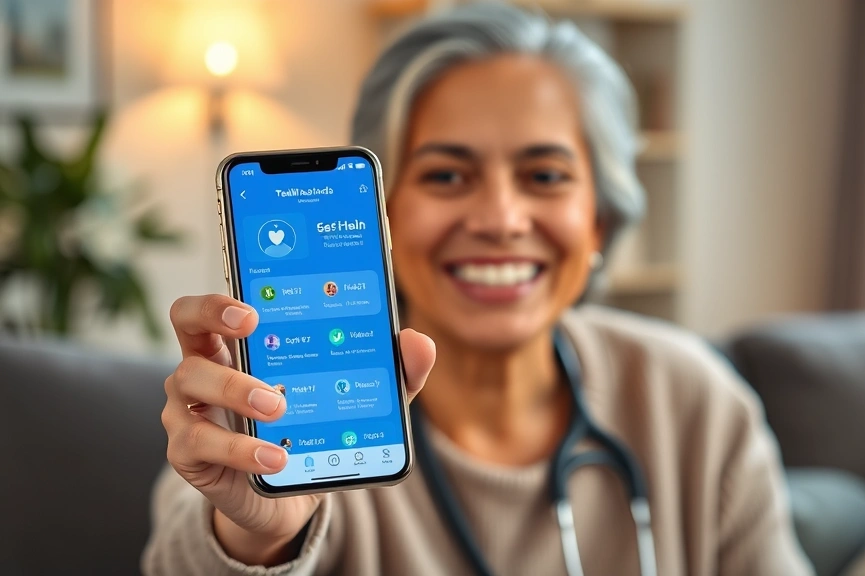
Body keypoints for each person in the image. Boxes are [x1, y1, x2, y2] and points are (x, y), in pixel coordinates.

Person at [143, 4, 812, 575]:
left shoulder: (696, 403)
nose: (499, 219)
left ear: (598, 220)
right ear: (382, 215)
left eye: (545, 176)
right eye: (446, 176)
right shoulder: (279, 418)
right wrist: (255, 540)